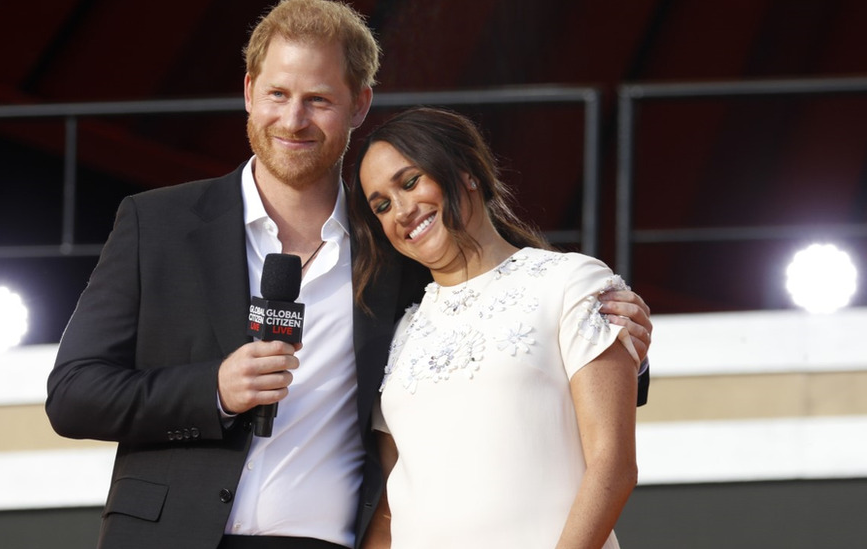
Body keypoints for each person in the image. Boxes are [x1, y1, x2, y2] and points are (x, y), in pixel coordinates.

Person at [45, 1, 653, 548]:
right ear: (250, 91)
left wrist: (622, 344)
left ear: (359, 104)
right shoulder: (157, 223)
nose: (293, 119)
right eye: (278, 94)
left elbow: (498, 324)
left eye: (319, 99)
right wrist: (213, 390)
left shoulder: (397, 247)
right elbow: (73, 396)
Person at [349, 106, 642, 548]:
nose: (402, 211)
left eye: (410, 182)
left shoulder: (571, 282)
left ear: (466, 172)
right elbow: (389, 507)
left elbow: (613, 465)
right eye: (383, 206)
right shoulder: (399, 333)